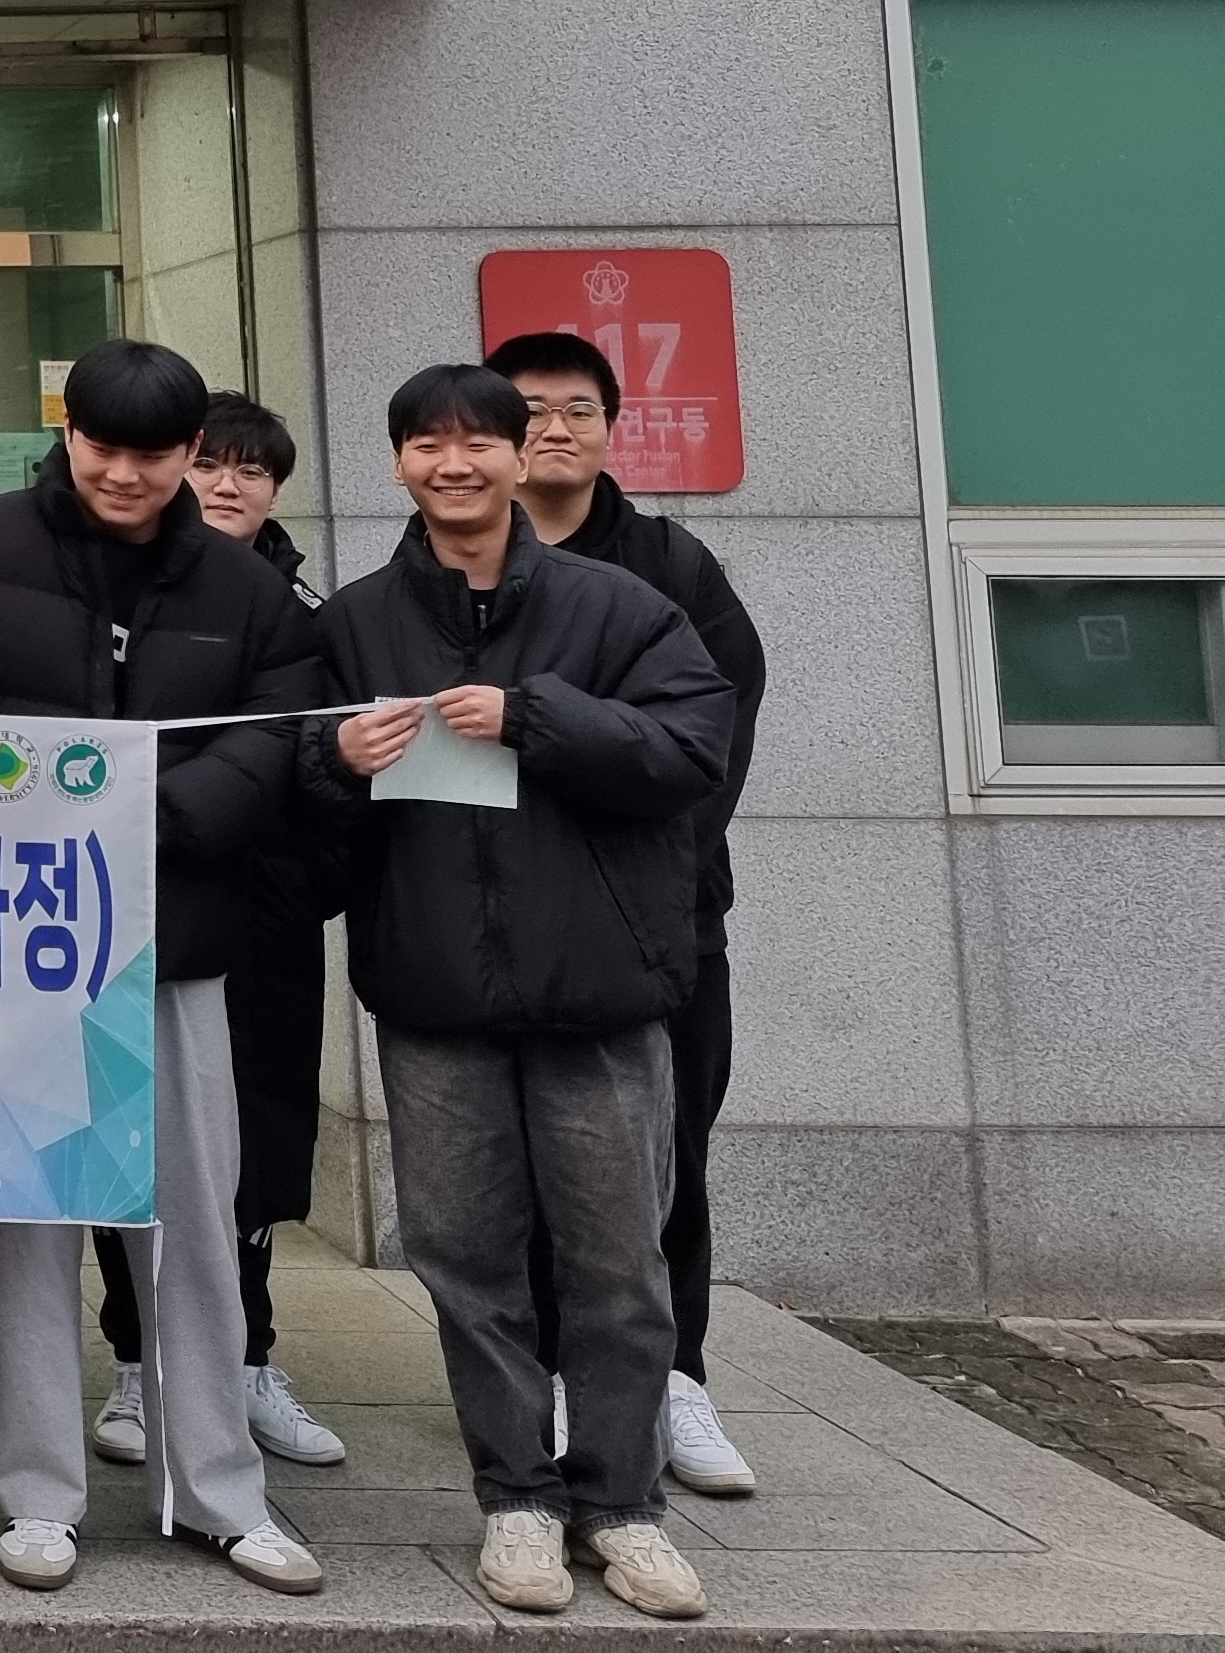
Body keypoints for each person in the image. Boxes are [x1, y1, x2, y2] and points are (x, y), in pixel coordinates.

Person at [0, 341, 328, 1602]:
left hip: (173, 942)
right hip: (18, 946)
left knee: (190, 1223)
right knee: (27, 1225)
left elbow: (270, 743)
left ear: (191, 454)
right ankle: (39, 1496)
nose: (123, 473)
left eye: (153, 453)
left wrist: (146, 818)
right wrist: (27, 818)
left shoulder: (245, 590)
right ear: (65, 433)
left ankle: (219, 1491)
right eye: (102, 446)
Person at [317, 364, 733, 1624]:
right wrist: (331, 759)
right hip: (434, 996)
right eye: (426, 444)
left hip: (598, 994)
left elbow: (692, 750)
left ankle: (623, 1504)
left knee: (618, 1265)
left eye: (478, 442)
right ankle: (515, 1497)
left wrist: (535, 718)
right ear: (398, 462)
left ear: (520, 453)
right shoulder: (355, 620)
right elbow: (296, 787)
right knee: (463, 1260)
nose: (453, 465)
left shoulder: (621, 608)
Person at [491, 329, 770, 1503]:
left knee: (665, 1153)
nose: (553, 429)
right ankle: (558, 1374)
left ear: (611, 430)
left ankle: (675, 1376)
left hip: (658, 917)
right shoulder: (459, 560)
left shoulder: (671, 565)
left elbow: (719, 728)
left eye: (577, 409)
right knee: (523, 1167)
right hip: (508, 915)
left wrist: (649, 867)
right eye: (528, 409)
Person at [86, 392, 349, 1473]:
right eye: (214, 465)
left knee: (258, 1148)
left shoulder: (311, 613)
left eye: (255, 470)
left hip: (267, 923)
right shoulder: (114, 593)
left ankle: (246, 1360)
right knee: (124, 1142)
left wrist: (310, 882)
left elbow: (336, 769)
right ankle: (136, 1360)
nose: (229, 485)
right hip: (137, 905)